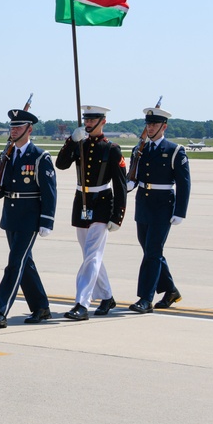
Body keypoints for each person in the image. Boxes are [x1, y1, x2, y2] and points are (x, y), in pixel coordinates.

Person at [0, 107, 57, 328]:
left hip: (30, 218)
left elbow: (50, 191)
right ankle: (41, 308)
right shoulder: (7, 154)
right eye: (12, 127)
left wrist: (47, 221)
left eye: (18, 127)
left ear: (29, 129)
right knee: (25, 264)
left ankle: (0, 311)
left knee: (14, 264)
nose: (13, 130)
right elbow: (5, 185)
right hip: (11, 216)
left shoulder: (39, 156)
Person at [54, 105, 127, 320]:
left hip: (103, 203)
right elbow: (61, 164)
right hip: (81, 202)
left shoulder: (112, 148)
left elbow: (120, 185)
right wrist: (71, 141)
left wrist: (117, 216)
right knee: (90, 255)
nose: (87, 124)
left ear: (102, 121)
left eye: (92, 120)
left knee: (92, 256)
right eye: (86, 120)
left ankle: (82, 303)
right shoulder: (80, 144)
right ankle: (106, 296)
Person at [127, 105, 191, 313]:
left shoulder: (174, 150)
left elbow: (184, 183)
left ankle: (145, 298)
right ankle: (171, 290)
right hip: (143, 204)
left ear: (164, 126)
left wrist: (180, 211)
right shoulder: (140, 149)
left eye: (154, 124)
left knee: (152, 252)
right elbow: (133, 176)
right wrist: (127, 185)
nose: (151, 127)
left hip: (163, 205)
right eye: (148, 124)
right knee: (150, 250)